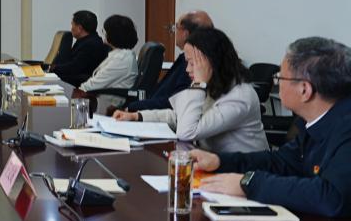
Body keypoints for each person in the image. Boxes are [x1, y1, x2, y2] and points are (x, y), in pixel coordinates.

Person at [190, 37, 351, 217]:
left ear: (304, 90)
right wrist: (220, 161)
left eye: (280, 77)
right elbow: (282, 162)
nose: (276, 82)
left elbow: (332, 197)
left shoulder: (346, 127)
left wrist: (249, 183)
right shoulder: (315, 121)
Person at [113, 28, 267, 153]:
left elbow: (187, 132)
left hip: (243, 173)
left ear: (212, 61)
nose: (187, 69)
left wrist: (198, 85)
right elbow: (180, 116)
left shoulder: (240, 96)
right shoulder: (214, 84)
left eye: (192, 63)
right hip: (214, 163)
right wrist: (137, 116)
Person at [126, 10, 214, 111]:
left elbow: (174, 102)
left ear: (185, 34)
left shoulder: (194, 64)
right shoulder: (185, 58)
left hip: (157, 114)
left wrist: (134, 107)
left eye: (176, 27)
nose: (173, 31)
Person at [78, 15, 139, 107]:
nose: (103, 34)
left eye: (105, 31)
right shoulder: (120, 54)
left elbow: (90, 87)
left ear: (113, 34)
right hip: (102, 100)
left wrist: (76, 92)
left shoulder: (121, 59)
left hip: (108, 105)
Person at [49, 10, 110, 87]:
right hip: (77, 79)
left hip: (83, 85)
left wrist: (51, 68)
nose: (71, 29)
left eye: (72, 25)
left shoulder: (91, 44)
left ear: (79, 28)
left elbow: (74, 67)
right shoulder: (85, 40)